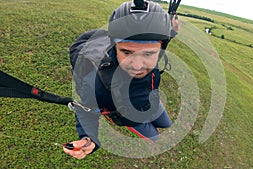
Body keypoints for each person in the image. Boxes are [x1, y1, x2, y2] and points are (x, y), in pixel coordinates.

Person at [63, 0, 179, 159]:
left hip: (150, 100)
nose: (138, 66)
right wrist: (87, 139)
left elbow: (165, 40)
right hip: (131, 117)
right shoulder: (95, 82)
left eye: (148, 54)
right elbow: (86, 111)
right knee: (156, 137)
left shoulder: (157, 48)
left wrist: (172, 30)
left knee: (167, 124)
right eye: (127, 52)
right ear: (114, 47)